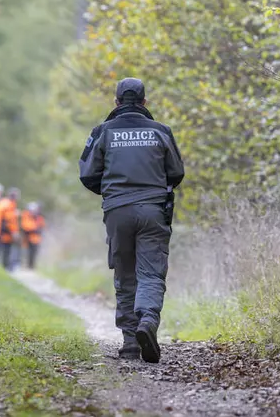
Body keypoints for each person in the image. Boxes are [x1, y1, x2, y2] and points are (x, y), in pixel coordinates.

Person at [78, 77, 184, 363]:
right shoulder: (161, 131)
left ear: (116, 102)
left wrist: (113, 191)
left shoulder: (103, 132)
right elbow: (176, 173)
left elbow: (87, 174)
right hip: (153, 210)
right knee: (150, 273)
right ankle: (147, 320)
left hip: (117, 212)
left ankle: (129, 343)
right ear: (145, 102)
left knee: (125, 274)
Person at [0, 187, 21, 270]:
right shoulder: (7, 204)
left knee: (9, 249)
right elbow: (6, 220)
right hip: (6, 231)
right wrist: (13, 232)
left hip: (9, 232)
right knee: (5, 249)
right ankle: (5, 267)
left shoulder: (11, 204)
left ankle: (8, 266)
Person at [20, 202, 45, 269]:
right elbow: (25, 226)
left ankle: (31, 266)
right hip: (28, 238)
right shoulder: (26, 216)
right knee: (27, 252)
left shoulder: (39, 218)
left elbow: (42, 226)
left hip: (36, 238)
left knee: (34, 253)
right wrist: (34, 229)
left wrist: (39, 230)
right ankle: (25, 266)